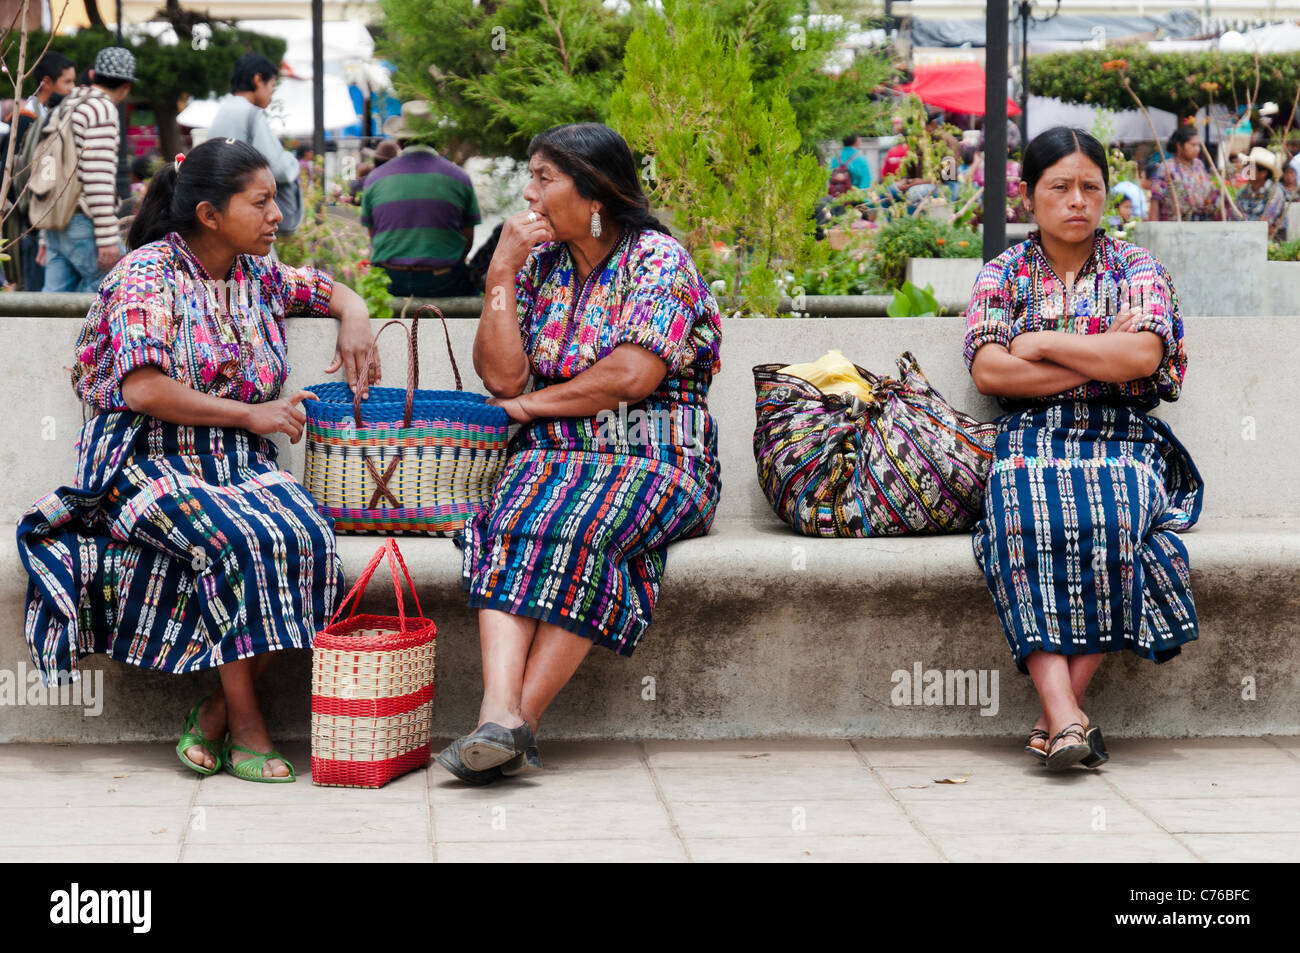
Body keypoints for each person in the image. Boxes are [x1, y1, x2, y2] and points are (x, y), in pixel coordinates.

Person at [16, 139, 380, 782]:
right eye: (261, 202)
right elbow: (144, 389)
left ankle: (211, 712)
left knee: (312, 541)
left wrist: (354, 313)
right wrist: (253, 414)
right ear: (210, 214)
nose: (278, 216)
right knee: (238, 540)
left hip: (239, 461)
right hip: (145, 457)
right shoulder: (146, 276)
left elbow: (329, 290)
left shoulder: (256, 272)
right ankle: (246, 725)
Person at [440, 122, 722, 783]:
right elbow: (503, 379)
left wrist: (534, 408)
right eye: (529, 177)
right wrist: (501, 272)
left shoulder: (658, 262)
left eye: (545, 178)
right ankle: (500, 716)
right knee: (508, 522)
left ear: (595, 192)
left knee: (582, 527)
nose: (530, 194)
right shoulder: (538, 266)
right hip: (556, 455)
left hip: (656, 450)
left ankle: (517, 721)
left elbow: (632, 377)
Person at [964, 126, 1202, 772]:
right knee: (1013, 513)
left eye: (1090, 187)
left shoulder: (1136, 266)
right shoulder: (1002, 274)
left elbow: (1145, 355)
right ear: (1028, 195)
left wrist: (1038, 340)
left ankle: (1057, 716)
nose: (1077, 201)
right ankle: (1063, 711)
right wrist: (1102, 358)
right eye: (1060, 187)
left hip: (1123, 435)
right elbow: (991, 372)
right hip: (1032, 435)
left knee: (1118, 515)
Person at [361, 100, 481, 297]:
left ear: (399, 141)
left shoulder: (375, 178)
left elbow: (374, 236)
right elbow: (467, 240)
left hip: (390, 282)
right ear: (436, 139)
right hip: (445, 282)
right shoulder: (459, 177)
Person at [37, 47, 133, 292]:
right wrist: (108, 239)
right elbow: (97, 178)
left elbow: (46, 168)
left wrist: (43, 235)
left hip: (55, 221)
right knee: (114, 292)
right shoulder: (101, 110)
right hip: (83, 222)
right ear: (127, 87)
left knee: (51, 309)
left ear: (92, 75)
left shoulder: (66, 105)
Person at [205, 53, 303, 236]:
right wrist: (293, 163)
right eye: (271, 87)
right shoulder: (251, 113)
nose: (271, 95)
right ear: (258, 79)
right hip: (247, 219)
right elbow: (278, 167)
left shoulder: (223, 111)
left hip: (224, 213)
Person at [5, 51, 75, 290]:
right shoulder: (24, 120)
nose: (72, 88)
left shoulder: (47, 116)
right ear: (46, 82)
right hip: (28, 223)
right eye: (67, 81)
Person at [1149, 126, 1220, 222]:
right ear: (1179, 145)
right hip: (1174, 225)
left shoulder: (1199, 166)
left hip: (1201, 224)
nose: (1197, 149)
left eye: (1198, 145)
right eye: (1192, 145)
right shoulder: (1167, 168)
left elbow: (1210, 193)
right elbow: (1155, 200)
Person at [1231, 147, 1288, 238]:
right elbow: (1234, 216)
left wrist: (1245, 220)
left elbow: (1265, 223)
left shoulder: (1275, 193)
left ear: (1263, 173)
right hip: (1245, 238)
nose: (1245, 171)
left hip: (1271, 242)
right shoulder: (1243, 192)